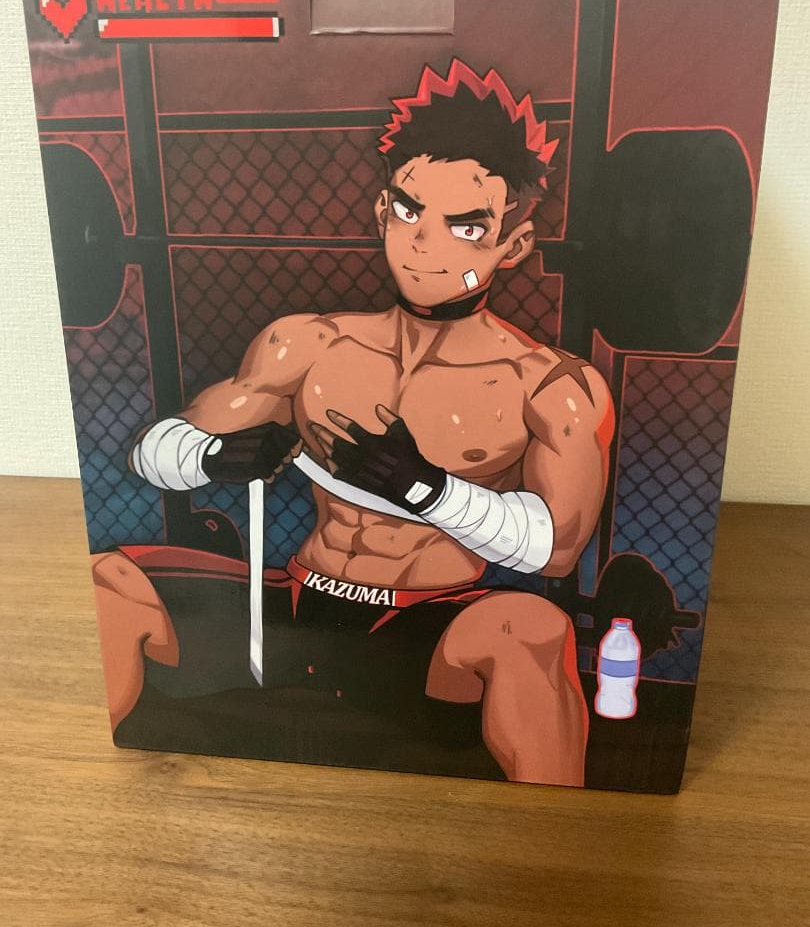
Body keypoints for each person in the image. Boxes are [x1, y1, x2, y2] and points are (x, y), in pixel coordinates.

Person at [95, 59, 614, 786]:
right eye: (409, 211)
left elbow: (556, 549)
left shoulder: (551, 385)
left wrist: (430, 492)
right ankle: (94, 816)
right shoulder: (309, 343)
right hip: (297, 600)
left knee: (531, 630)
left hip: (426, 623)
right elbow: (155, 451)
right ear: (381, 211)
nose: (424, 243)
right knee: (109, 582)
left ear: (514, 245)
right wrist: (211, 458)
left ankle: (562, 849)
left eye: (466, 226)